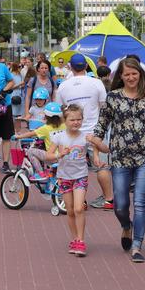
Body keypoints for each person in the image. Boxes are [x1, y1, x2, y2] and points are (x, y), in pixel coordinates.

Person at [89, 57, 145, 262]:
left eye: (134, 73)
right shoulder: (113, 97)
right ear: (121, 77)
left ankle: (137, 245)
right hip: (120, 157)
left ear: (140, 74)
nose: (131, 77)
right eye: (127, 74)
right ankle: (126, 226)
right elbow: (101, 125)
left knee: (140, 202)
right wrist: (95, 149)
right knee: (120, 204)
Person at [57, 53, 113, 210]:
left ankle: (80, 200)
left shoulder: (63, 86)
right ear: (86, 66)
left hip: (73, 132)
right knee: (101, 166)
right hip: (95, 131)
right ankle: (109, 200)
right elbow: (104, 106)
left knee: (73, 167)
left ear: (70, 67)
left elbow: (60, 109)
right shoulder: (97, 83)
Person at [46, 104, 90, 257]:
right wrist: (59, 154)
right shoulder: (59, 137)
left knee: (79, 208)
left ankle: (81, 241)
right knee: (70, 210)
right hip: (64, 177)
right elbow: (48, 155)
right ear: (65, 121)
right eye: (72, 120)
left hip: (80, 176)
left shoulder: (85, 137)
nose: (76, 122)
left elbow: (99, 148)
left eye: (79, 119)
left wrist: (97, 156)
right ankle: (75, 239)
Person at [13, 102, 65, 180]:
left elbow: (31, 133)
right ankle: (48, 171)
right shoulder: (64, 126)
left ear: (46, 116)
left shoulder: (45, 128)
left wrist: (18, 136)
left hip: (52, 158)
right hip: (64, 156)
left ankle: (40, 173)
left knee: (31, 151)